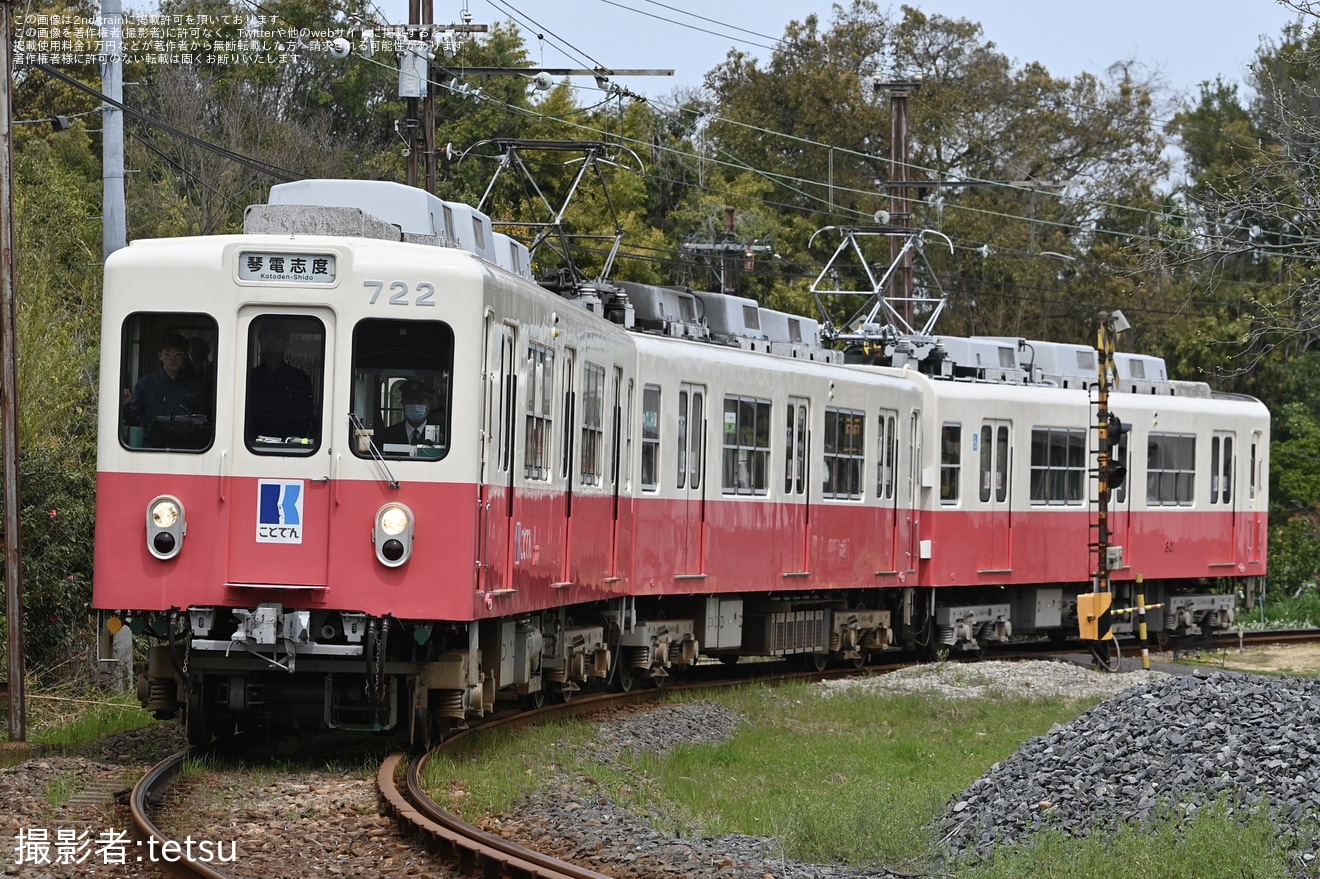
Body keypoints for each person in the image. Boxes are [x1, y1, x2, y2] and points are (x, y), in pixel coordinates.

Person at [124, 332, 206, 446]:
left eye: (178, 354)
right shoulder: (145, 384)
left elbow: (202, 421)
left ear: (185, 355)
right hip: (152, 449)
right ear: (160, 356)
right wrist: (124, 405)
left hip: (187, 450)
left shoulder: (193, 387)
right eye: (167, 353)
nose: (172, 358)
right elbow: (134, 420)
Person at [247, 321, 314, 442]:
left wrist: (289, 443)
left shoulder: (300, 379)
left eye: (276, 339)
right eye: (266, 339)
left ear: (285, 343)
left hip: (290, 448)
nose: (270, 344)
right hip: (252, 445)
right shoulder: (250, 378)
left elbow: (304, 417)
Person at [374, 380, 435, 449]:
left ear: (429, 405)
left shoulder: (440, 435)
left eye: (420, 401)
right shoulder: (387, 435)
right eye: (410, 401)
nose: (415, 405)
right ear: (403, 404)